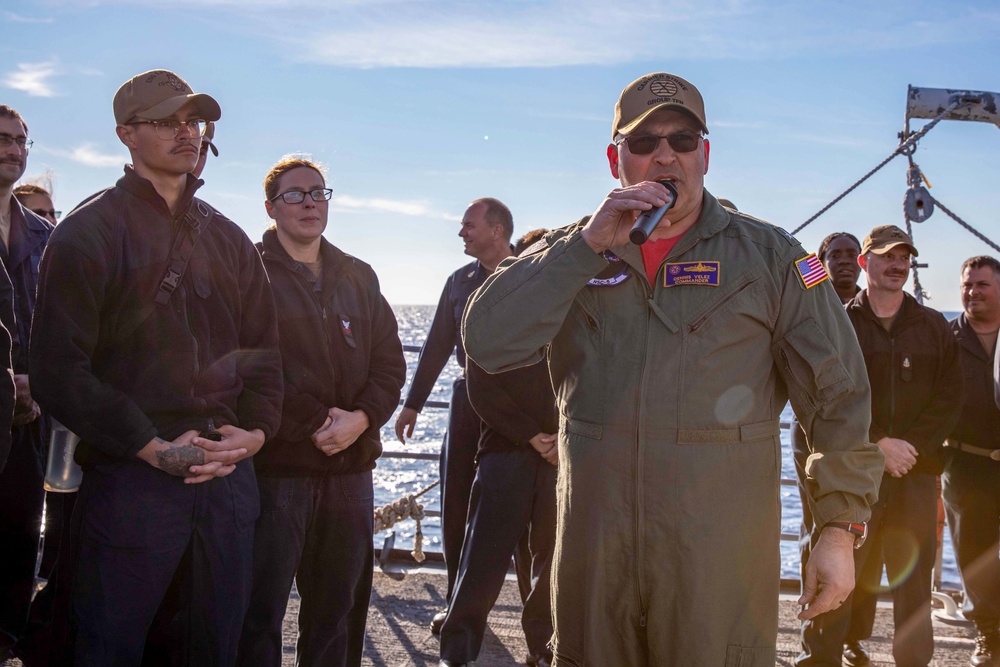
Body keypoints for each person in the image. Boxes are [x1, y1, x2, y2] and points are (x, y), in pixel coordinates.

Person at [462, 71, 884, 665]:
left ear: (705, 155)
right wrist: (583, 250)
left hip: (716, 571)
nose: (665, 154)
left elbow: (837, 397)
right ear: (617, 161)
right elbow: (487, 339)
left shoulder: (774, 259)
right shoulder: (572, 252)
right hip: (595, 565)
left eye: (683, 140)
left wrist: (839, 529)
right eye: (643, 143)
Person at [27, 69, 283, 665]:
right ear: (126, 134)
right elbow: (58, 370)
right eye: (167, 122)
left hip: (226, 484)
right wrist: (152, 447)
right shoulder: (86, 233)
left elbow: (267, 358)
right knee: (109, 650)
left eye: (192, 121)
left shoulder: (231, 238)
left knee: (213, 651)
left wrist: (256, 435)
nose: (187, 133)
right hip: (131, 485)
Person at [237, 156, 405, 667]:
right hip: (278, 472)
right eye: (295, 194)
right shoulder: (249, 274)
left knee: (338, 610)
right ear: (270, 207)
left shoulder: (359, 275)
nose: (309, 202)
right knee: (258, 610)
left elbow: (389, 364)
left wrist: (361, 420)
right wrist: (315, 423)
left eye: (318, 192)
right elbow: (246, 368)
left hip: (350, 471)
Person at [834, 224, 963, 667]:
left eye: (904, 258)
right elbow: (827, 394)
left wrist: (908, 448)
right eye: (888, 257)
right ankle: (838, 650)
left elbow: (951, 397)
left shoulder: (933, 327)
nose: (897, 265)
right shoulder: (841, 323)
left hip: (915, 474)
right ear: (865, 263)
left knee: (913, 583)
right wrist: (876, 446)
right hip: (856, 474)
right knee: (847, 572)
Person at [392, 197, 517, 633]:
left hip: (518, 399)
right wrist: (412, 404)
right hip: (468, 398)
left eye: (468, 225)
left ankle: (539, 615)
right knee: (455, 502)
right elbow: (436, 346)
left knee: (521, 508)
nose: (461, 232)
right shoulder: (459, 281)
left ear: (497, 230)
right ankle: (456, 605)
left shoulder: (531, 273)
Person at [438, 230, 558, 667]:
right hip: (504, 455)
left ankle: (544, 650)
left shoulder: (573, 317)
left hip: (558, 459)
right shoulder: (489, 314)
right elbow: (480, 389)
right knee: (482, 560)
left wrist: (562, 437)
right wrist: (530, 434)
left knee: (550, 564)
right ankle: (456, 651)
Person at [791, 231, 869, 666]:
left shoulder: (872, 312)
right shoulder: (807, 306)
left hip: (861, 443)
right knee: (818, 538)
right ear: (819, 262)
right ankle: (816, 653)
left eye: (849, 253)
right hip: (811, 441)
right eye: (832, 254)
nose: (842, 260)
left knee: (860, 545)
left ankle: (852, 640)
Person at [0, 104, 54, 658]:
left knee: (19, 547)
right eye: (2, 139)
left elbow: (57, 323)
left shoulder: (43, 235)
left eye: (21, 141)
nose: (14, 149)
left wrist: (38, 382)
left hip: (31, 420)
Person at [944, 256, 1000, 667]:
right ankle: (990, 636)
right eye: (967, 285)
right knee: (975, 556)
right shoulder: (946, 338)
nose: (972, 292)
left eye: (982, 284)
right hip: (965, 464)